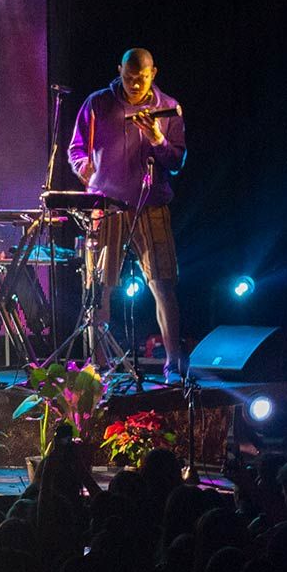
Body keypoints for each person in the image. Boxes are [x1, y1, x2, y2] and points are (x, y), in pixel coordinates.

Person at [68, 47, 188, 379]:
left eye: (142, 77)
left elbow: (176, 162)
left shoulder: (167, 108)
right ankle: (98, 365)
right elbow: (76, 147)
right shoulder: (98, 103)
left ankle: (173, 362)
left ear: (153, 74)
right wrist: (84, 169)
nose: (135, 84)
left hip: (151, 205)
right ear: (119, 69)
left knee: (163, 283)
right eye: (129, 76)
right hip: (105, 205)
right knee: (99, 286)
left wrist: (158, 138)